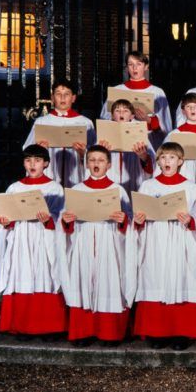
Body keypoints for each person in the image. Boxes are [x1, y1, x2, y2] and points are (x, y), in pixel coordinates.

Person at [132, 141, 196, 350]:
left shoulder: (190, 187)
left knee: (182, 279)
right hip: (156, 239)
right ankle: (156, 333)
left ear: (180, 161)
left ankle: (182, 333)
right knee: (154, 279)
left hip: (180, 240)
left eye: (172, 158)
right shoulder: (148, 186)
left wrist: (190, 220)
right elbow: (138, 215)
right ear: (157, 161)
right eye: (163, 158)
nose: (167, 161)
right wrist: (138, 221)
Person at [58, 144, 135, 342]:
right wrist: (66, 221)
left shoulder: (117, 190)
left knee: (108, 283)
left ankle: (109, 333)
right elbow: (65, 223)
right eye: (91, 160)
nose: (96, 164)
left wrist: (123, 221)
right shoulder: (77, 190)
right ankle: (83, 332)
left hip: (108, 241)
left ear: (109, 164)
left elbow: (130, 222)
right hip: (83, 240)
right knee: (83, 282)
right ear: (86, 164)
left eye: (100, 160)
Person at [0, 145, 68, 337]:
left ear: (46, 164)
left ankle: (50, 327)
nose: (32, 164)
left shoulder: (54, 188)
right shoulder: (15, 187)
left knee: (45, 276)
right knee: (21, 276)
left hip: (43, 238)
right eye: (28, 160)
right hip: (21, 237)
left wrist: (49, 220)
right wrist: (5, 222)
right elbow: (4, 216)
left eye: (37, 160)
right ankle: (22, 326)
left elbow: (61, 218)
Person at [23, 79, 95, 187]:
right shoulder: (42, 122)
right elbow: (27, 149)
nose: (62, 98)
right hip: (50, 171)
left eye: (67, 94)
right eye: (58, 94)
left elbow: (96, 152)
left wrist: (83, 153)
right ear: (52, 98)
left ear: (73, 98)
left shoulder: (85, 123)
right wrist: (39, 150)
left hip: (75, 172)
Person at [101, 50, 172, 149]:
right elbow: (105, 119)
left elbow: (166, 124)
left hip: (148, 141)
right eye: (131, 64)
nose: (134, 68)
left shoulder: (157, 92)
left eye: (139, 64)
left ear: (146, 67)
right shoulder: (117, 91)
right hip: (120, 139)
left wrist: (149, 120)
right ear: (126, 67)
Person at [98, 97, 155, 191]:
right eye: (117, 110)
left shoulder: (140, 133)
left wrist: (143, 156)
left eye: (125, 111)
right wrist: (102, 153)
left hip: (133, 177)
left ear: (132, 116)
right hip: (111, 177)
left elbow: (152, 164)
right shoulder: (104, 134)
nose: (121, 113)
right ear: (112, 115)